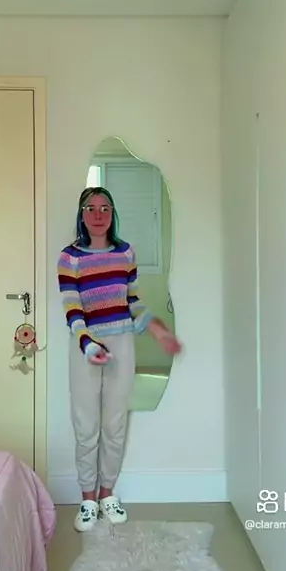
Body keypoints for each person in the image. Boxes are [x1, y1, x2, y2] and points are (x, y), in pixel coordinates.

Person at [57, 186, 182, 532]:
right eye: (91, 208)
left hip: (122, 342)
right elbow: (72, 308)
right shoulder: (70, 258)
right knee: (86, 425)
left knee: (114, 424)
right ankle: (88, 500)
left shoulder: (126, 253)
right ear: (82, 215)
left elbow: (133, 301)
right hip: (86, 345)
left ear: (113, 214)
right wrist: (88, 345)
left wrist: (157, 330)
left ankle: (107, 494)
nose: (98, 215)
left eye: (105, 208)